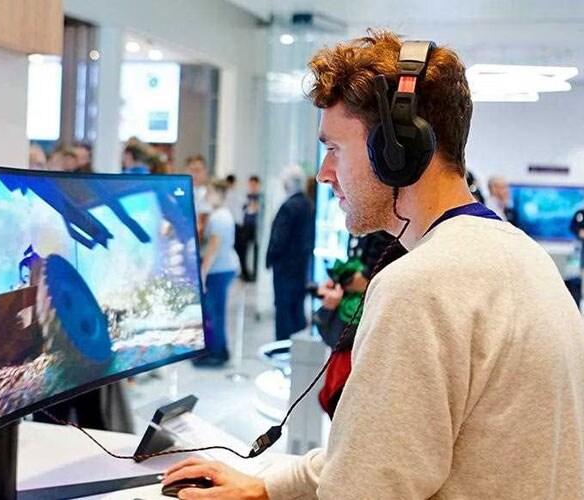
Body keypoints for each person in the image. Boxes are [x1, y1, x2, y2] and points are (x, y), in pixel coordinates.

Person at [163, 30, 584, 499]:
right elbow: (380, 452)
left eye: (334, 148)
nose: (323, 173)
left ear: (396, 152)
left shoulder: (421, 287)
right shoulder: (525, 258)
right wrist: (268, 486)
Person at [314, 231, 406, 418]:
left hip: (372, 333)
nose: (341, 200)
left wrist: (344, 283)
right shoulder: (365, 224)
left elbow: (369, 278)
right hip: (360, 332)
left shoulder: (387, 229)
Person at [266, 165, 315, 341]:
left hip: (285, 268)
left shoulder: (289, 206)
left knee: (284, 309)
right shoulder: (308, 205)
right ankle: (297, 354)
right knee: (297, 310)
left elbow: (279, 238)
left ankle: (282, 349)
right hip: (301, 267)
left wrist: (270, 258)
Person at [194, 179, 239, 367]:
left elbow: (213, 248)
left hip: (219, 270)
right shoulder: (223, 214)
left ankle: (218, 352)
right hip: (224, 267)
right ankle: (215, 348)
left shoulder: (218, 217)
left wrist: (203, 273)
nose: (206, 195)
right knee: (215, 311)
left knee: (215, 312)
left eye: (210, 191)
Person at [186, 154, 212, 241]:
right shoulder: (183, 192)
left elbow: (201, 227)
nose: (193, 175)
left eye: (197, 171)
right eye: (191, 170)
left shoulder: (208, 194)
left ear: (205, 172)